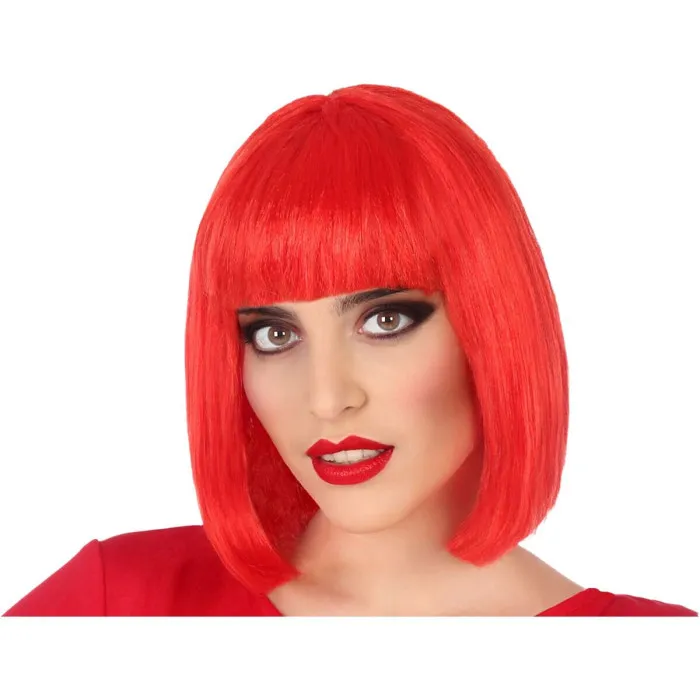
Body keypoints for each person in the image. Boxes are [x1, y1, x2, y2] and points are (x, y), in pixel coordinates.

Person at [4, 84, 696, 617]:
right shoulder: (116, 604)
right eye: (275, 335)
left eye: (385, 320)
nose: (327, 398)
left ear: (491, 325)